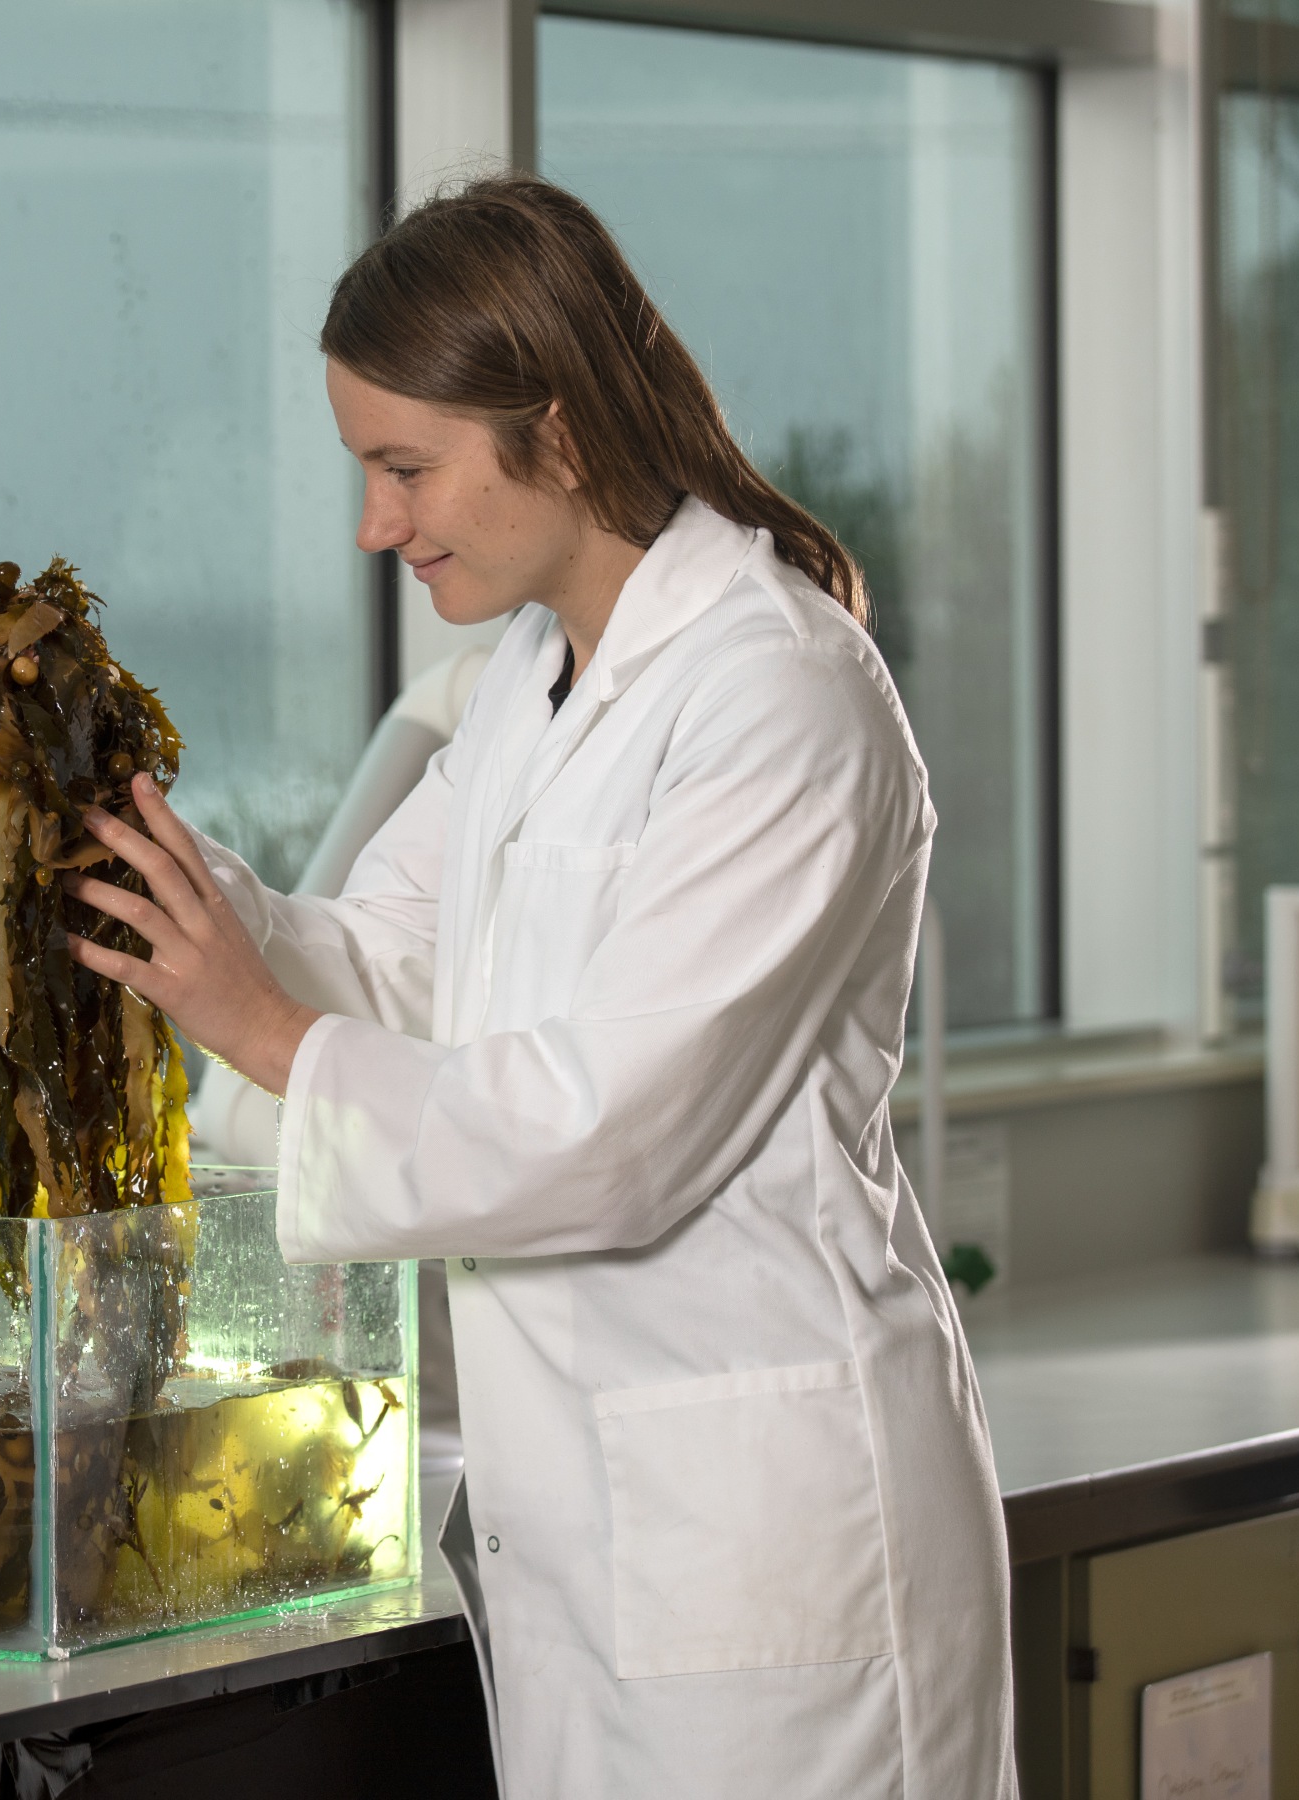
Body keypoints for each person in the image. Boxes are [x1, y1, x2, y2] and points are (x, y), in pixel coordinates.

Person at [65, 176, 1017, 1795]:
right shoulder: (530, 679)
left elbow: (608, 1134)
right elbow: (398, 966)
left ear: (557, 435)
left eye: (405, 467)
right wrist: (156, 880)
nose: (378, 524)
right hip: (597, 1538)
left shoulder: (776, 695)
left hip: (768, 1548)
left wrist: (263, 1027)